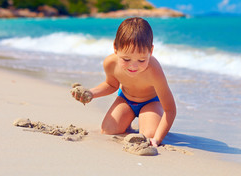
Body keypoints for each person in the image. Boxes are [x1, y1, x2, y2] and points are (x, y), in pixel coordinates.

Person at [71, 17, 176, 147]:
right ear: (115, 48)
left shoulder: (154, 70)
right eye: (126, 59)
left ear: (151, 51)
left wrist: (157, 139)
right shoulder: (110, 63)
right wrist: (91, 93)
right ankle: (129, 125)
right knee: (108, 130)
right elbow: (111, 85)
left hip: (151, 102)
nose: (133, 66)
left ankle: (148, 122)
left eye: (142, 60)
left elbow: (170, 109)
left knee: (148, 136)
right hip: (125, 99)